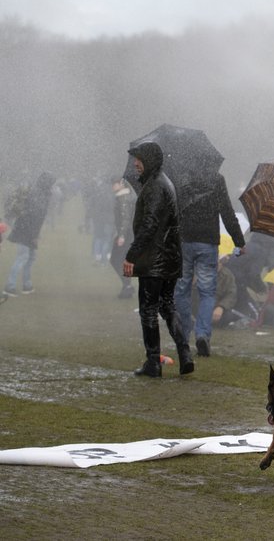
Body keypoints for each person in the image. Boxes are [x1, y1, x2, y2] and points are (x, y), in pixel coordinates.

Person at [122, 142, 194, 377]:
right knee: (167, 305)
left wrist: (132, 254)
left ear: (149, 159)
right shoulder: (166, 183)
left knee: (149, 310)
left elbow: (150, 223)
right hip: (171, 258)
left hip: (154, 259)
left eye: (139, 159)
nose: (135, 163)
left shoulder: (154, 186)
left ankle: (153, 362)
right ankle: (185, 355)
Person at [173, 171, 246, 357]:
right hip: (207, 242)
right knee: (207, 292)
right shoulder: (216, 178)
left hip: (184, 241)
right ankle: (202, 334)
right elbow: (227, 212)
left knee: (182, 289)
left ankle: (183, 335)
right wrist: (239, 241)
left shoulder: (181, 177)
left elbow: (172, 210)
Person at [4, 172, 56, 297]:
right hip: (26, 231)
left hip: (26, 230)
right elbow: (34, 217)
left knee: (30, 257)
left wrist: (35, 234)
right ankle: (9, 287)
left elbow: (35, 216)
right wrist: (34, 236)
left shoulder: (39, 193)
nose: (52, 186)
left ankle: (27, 285)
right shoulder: (39, 195)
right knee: (22, 257)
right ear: (47, 183)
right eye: (51, 183)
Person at [110, 177, 136, 299]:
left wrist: (121, 235)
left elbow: (125, 219)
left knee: (116, 259)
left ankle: (127, 285)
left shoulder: (123, 198)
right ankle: (127, 286)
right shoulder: (127, 196)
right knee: (121, 260)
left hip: (126, 234)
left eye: (114, 183)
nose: (112, 186)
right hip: (129, 233)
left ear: (121, 184)